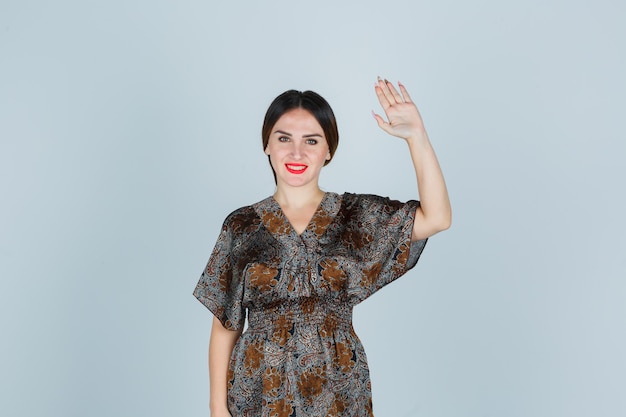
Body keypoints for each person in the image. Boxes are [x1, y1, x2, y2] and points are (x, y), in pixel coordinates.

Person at [193, 78, 452, 417]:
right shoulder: (241, 226)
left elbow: (437, 217)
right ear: (266, 145)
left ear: (328, 150)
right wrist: (217, 408)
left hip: (338, 388)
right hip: (256, 390)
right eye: (283, 138)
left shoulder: (354, 217)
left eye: (311, 141)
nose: (296, 153)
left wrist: (417, 137)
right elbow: (225, 323)